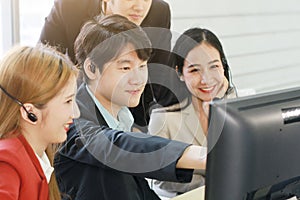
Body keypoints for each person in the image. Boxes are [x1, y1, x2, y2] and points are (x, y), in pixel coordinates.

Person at [54, 14, 207, 200]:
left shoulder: (123, 114)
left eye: (142, 66)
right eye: (125, 68)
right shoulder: (71, 119)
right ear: (91, 69)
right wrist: (204, 156)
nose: (138, 79)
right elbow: (119, 147)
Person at [39, 0, 176, 131]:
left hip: (127, 109)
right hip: (78, 100)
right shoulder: (71, 6)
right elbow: (45, 63)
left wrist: (139, 126)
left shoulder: (158, 11)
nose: (140, 7)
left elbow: (157, 76)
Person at [148, 27, 237, 197]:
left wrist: (218, 103)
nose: (206, 79)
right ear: (179, 73)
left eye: (214, 67)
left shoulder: (235, 106)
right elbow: (159, 180)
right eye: (195, 70)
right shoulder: (163, 117)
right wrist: (213, 183)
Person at [0, 44, 80, 200]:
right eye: (68, 101)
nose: (76, 113)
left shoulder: (37, 155)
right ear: (30, 112)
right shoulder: (7, 163)